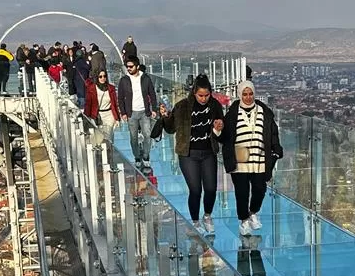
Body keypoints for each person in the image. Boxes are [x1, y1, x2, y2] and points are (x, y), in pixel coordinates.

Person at [160, 74, 224, 235]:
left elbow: (221, 130)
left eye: (206, 95)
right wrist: (166, 117)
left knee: (210, 188)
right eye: (200, 95)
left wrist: (218, 127)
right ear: (194, 92)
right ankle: (195, 221)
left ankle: (207, 216)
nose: (203, 99)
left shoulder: (215, 105)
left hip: (209, 152)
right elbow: (170, 129)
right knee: (195, 190)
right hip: (188, 153)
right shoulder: (182, 106)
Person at [218, 80, 282, 236]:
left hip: (260, 158)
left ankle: (253, 212)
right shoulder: (232, 114)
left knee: (260, 189)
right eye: (244, 94)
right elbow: (225, 138)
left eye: (250, 93)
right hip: (240, 159)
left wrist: (275, 150)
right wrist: (217, 130)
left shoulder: (264, 112)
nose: (248, 97)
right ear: (240, 95)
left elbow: (273, 133)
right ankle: (243, 220)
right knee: (242, 192)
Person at [117, 55, 158, 170]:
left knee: (147, 136)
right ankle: (137, 157)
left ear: (137, 66)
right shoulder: (124, 80)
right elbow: (120, 98)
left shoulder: (145, 78)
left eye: (131, 66)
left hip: (144, 112)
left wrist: (153, 109)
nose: (128, 68)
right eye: (127, 66)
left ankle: (146, 156)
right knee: (133, 138)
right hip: (132, 113)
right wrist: (123, 113)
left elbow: (152, 94)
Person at [84, 69, 120, 140]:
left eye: (104, 76)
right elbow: (88, 104)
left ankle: (110, 150)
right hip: (98, 116)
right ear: (97, 77)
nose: (103, 78)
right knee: (99, 138)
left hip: (109, 115)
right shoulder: (92, 89)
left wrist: (117, 118)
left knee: (108, 137)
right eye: (100, 76)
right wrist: (87, 117)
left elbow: (115, 103)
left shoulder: (111, 88)